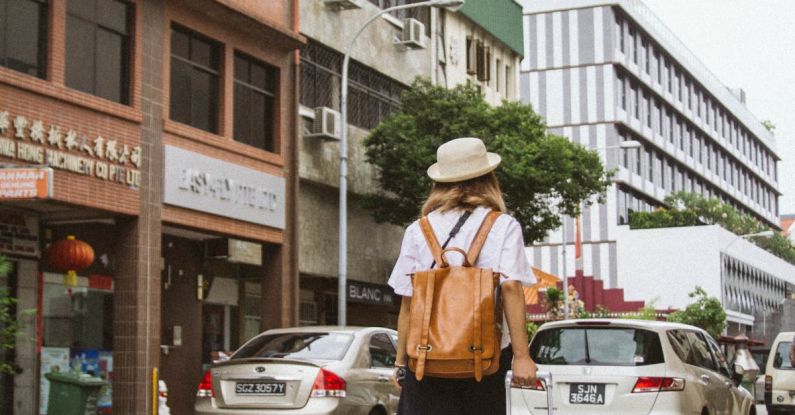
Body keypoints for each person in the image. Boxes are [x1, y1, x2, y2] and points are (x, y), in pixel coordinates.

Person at [388, 137, 538, 415]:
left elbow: (408, 302)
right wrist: (522, 356)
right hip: (484, 357)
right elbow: (511, 289)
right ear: (489, 178)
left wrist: (400, 363)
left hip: (425, 359)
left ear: (439, 182)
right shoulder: (503, 226)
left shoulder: (418, 230)